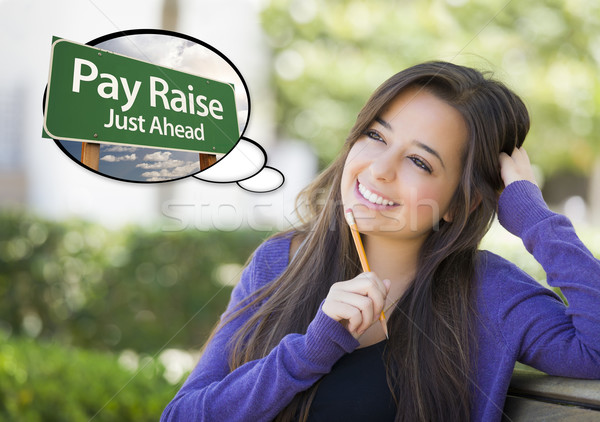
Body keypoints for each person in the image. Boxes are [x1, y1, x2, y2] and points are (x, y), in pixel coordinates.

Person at [160, 61, 600, 422]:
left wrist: (534, 219)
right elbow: (181, 416)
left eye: (419, 161)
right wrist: (309, 352)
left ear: (458, 204)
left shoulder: (489, 293)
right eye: (376, 136)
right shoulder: (280, 261)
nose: (379, 169)